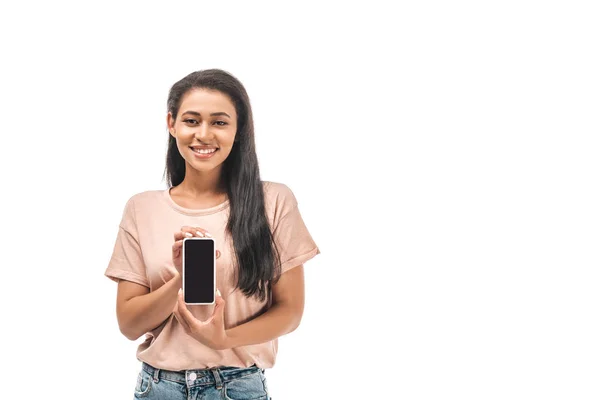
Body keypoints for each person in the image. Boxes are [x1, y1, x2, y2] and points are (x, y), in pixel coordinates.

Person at [104, 68, 320, 399]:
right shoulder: (141, 208)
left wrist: (223, 339)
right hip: (159, 388)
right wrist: (182, 277)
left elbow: (290, 312)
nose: (204, 134)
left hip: (239, 386)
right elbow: (129, 324)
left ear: (238, 130)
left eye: (219, 122)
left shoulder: (274, 201)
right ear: (171, 124)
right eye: (192, 121)